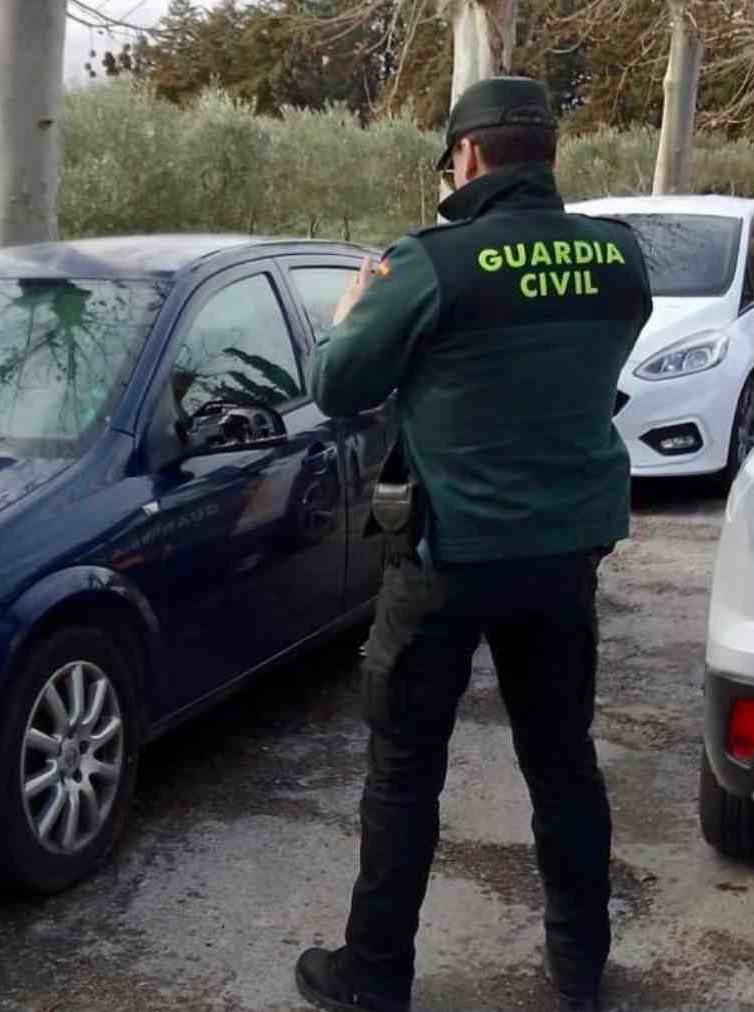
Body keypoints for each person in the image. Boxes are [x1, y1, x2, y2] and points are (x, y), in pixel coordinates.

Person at [293, 77, 653, 1012]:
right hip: (565, 558)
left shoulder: (432, 262)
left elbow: (338, 384)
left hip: (448, 558)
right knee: (563, 762)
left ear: (469, 157)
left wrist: (350, 312)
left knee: (405, 774)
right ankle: (579, 969)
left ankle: (375, 977)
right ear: (545, 153)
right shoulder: (619, 260)